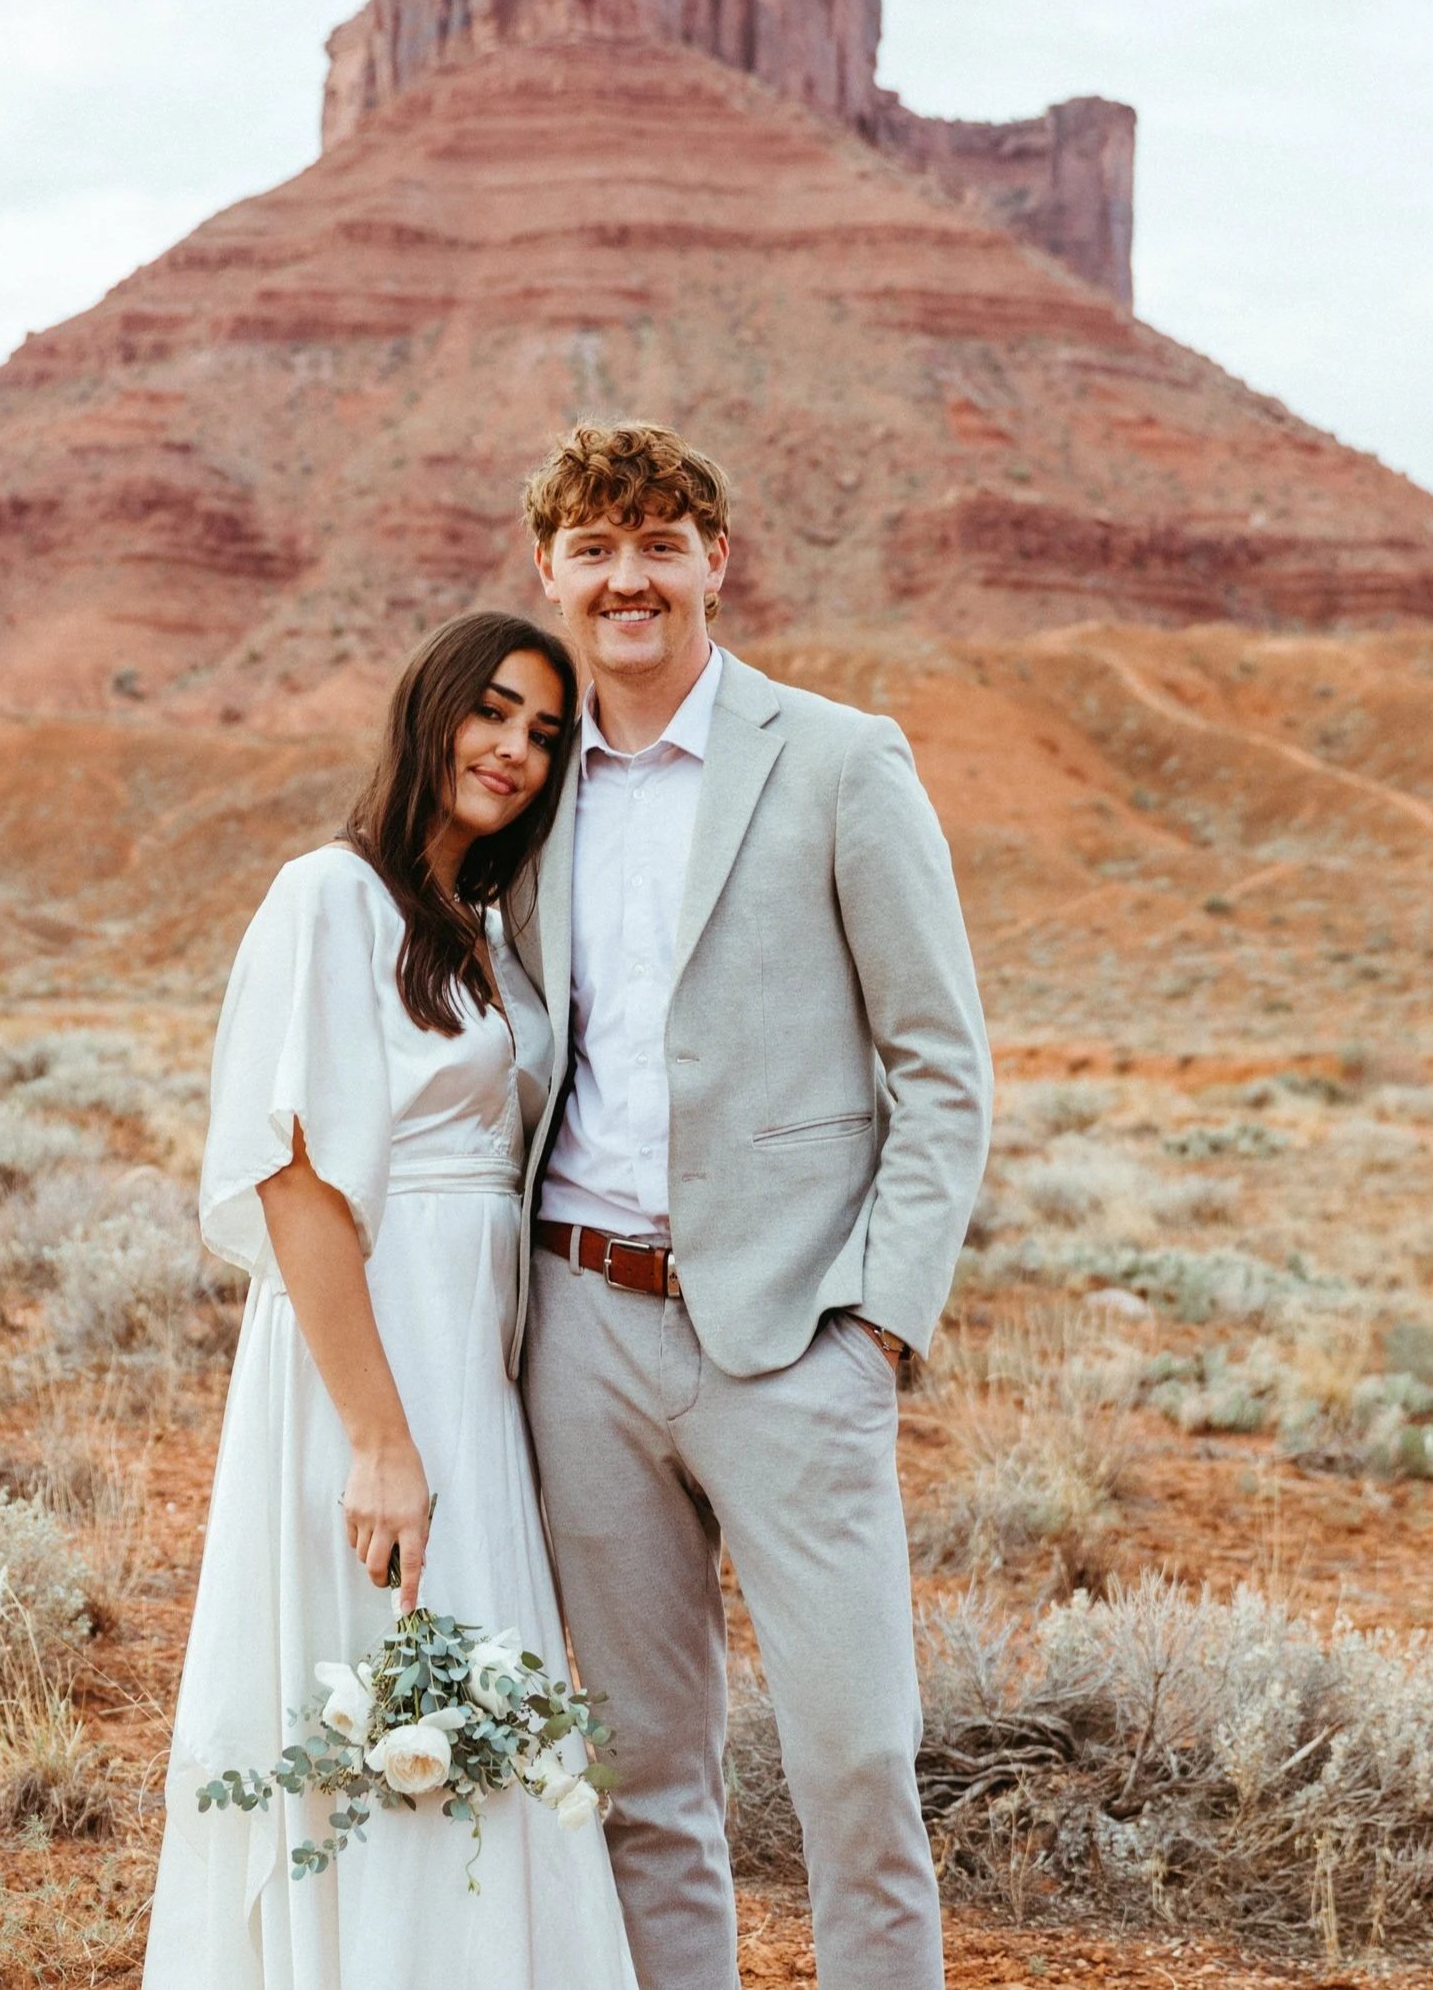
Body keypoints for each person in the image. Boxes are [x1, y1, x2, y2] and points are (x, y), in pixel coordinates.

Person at [509, 422, 992, 1990]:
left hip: (796, 1342)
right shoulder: (524, 787)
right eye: (595, 550)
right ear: (550, 576)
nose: (628, 578)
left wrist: (879, 1328)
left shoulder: (842, 758)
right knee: (648, 1782)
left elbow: (943, 1067)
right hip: (578, 1332)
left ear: (719, 560)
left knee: (858, 1776)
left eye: (660, 544)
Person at [144, 610, 639, 1990]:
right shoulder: (331, 895)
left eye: (545, 733)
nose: (515, 751)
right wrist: (377, 1437)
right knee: (379, 1672)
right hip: (375, 1356)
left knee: (468, 1688)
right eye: (492, 712)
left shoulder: (478, 920)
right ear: (428, 712)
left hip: (471, 1364)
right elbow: (297, 1180)